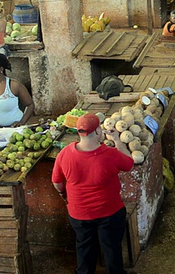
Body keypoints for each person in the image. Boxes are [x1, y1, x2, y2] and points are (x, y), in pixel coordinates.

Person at [52, 113, 134, 274]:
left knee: (84, 247)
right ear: (97, 131)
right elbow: (129, 163)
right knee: (111, 248)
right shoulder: (110, 155)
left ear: (79, 132)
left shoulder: (65, 154)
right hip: (109, 213)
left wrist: (64, 194)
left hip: (79, 214)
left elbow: (57, 182)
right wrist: (117, 140)